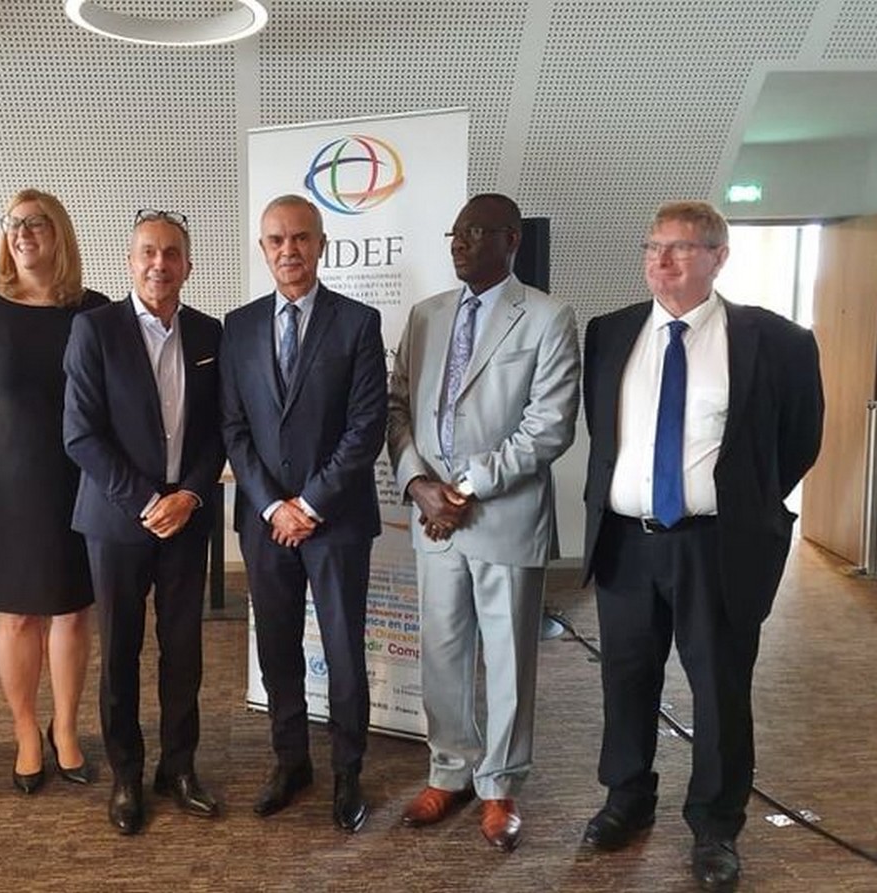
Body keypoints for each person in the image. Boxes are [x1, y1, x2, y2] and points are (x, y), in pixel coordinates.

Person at [581, 201, 823, 889]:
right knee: (626, 677)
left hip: (716, 546)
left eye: (681, 248)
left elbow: (799, 440)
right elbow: (605, 434)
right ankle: (627, 796)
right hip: (626, 541)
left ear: (719, 257)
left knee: (719, 688)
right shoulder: (610, 332)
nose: (661, 260)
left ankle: (716, 824)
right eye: (652, 246)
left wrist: (744, 505)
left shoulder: (776, 341)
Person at [387, 193, 580, 850]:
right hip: (431, 518)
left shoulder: (548, 317)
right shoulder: (425, 315)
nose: (460, 243)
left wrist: (462, 490)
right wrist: (419, 485)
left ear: (511, 239)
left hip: (502, 516)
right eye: (455, 232)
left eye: (475, 232)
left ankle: (499, 785)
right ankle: (450, 769)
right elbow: (397, 408)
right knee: (442, 652)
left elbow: (548, 427)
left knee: (508, 659)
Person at [0, 189, 108, 794]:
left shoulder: (93, 309)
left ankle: (66, 729)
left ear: (60, 234)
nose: (23, 232)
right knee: (16, 614)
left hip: (77, 483)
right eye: (13, 224)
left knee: (72, 611)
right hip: (1, 489)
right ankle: (27, 730)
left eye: (36, 223)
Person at [220, 194, 387, 833]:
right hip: (265, 522)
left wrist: (310, 504)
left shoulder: (358, 323)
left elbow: (365, 427)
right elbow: (234, 428)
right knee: (276, 646)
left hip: (335, 519)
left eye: (300, 238)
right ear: (263, 249)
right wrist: (272, 505)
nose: (288, 250)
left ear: (321, 244)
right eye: (276, 240)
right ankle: (291, 763)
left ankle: (348, 771)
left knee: (343, 649)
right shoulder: (239, 326)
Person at [63, 209, 224, 835]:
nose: (160, 264)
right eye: (148, 253)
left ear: (188, 265)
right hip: (117, 520)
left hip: (186, 518)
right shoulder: (94, 330)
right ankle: (126, 775)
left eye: (172, 253)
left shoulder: (209, 333)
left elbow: (219, 430)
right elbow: (81, 433)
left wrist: (190, 495)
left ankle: (178, 769)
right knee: (120, 652)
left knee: (183, 652)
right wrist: (145, 500)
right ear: (130, 262)